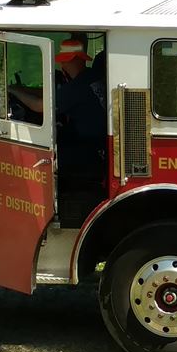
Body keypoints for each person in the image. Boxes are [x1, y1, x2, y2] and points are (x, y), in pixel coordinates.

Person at [51, 36, 108, 225]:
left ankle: (55, 211)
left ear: (70, 61)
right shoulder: (91, 77)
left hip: (89, 149)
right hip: (99, 145)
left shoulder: (77, 87)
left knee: (52, 155)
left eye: (63, 62)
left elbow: (39, 106)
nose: (62, 67)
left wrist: (15, 91)